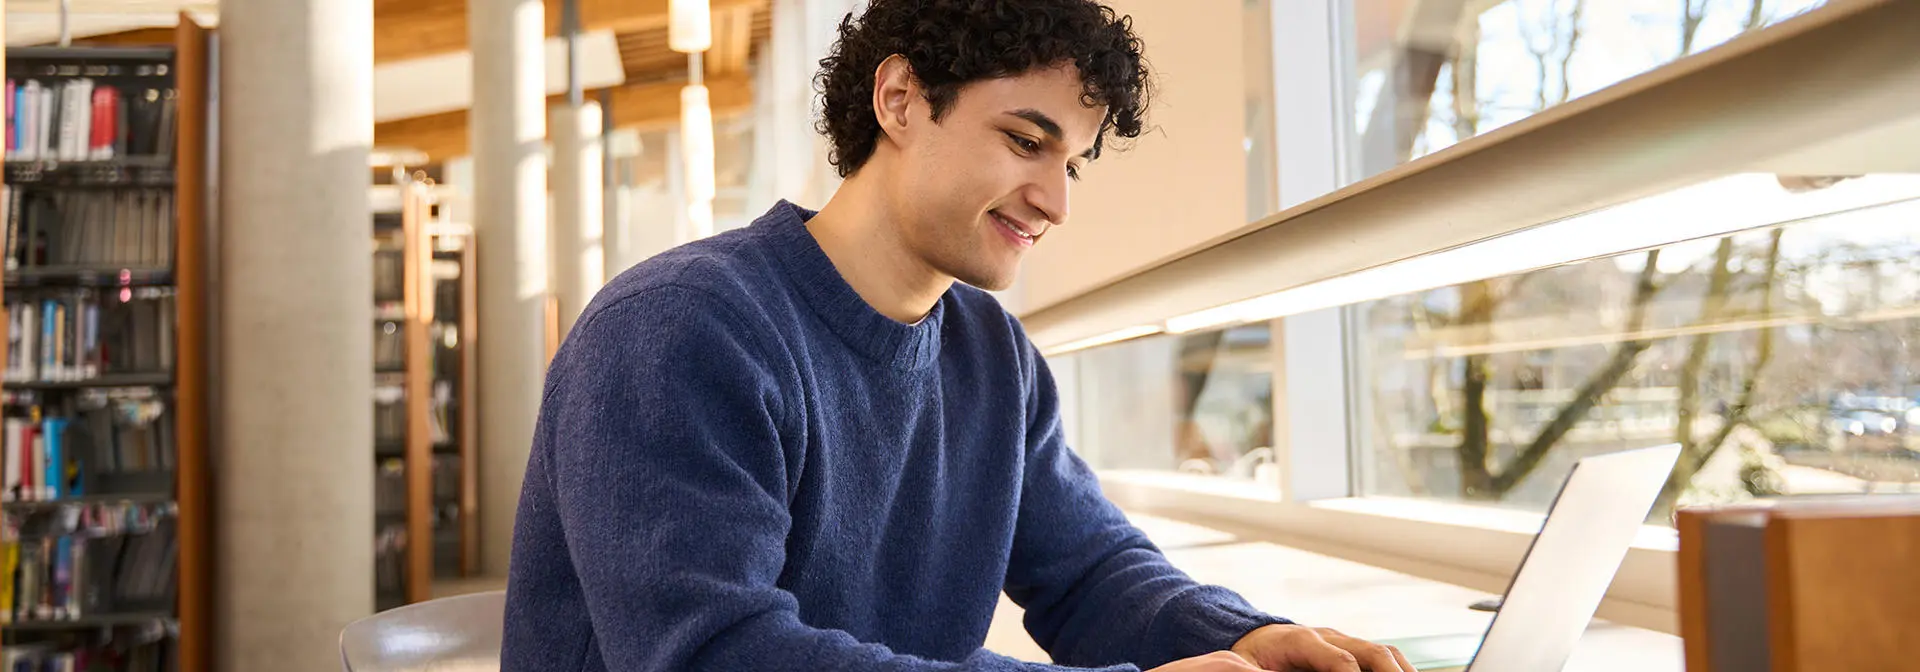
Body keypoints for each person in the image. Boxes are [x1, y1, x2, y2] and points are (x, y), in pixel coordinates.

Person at [501, 1, 1413, 670]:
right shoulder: (678, 330)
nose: (1054, 202)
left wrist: (1248, 637)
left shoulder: (993, 357)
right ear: (900, 99)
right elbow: (717, 656)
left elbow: (1090, 571)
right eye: (1025, 141)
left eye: (1070, 164)